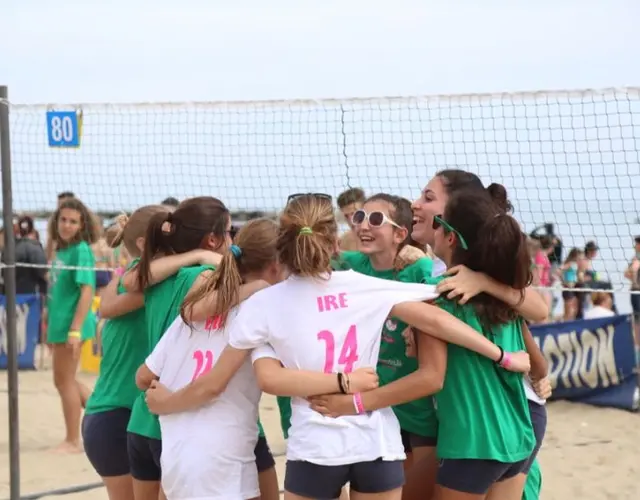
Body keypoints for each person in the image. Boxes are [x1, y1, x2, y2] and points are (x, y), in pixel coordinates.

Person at [146, 194, 530, 500]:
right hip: (376, 446)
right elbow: (435, 314)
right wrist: (501, 352)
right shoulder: (360, 286)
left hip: (316, 448)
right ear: (333, 242)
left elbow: (268, 378)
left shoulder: (264, 303)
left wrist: (342, 383)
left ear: (284, 245)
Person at [82, 206, 167, 500]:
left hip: (126, 414)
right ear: (145, 243)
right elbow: (107, 307)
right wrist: (198, 255)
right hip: (115, 417)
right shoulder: (144, 279)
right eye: (169, 231)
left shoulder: (132, 276)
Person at [47, 198, 100, 453]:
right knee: (63, 380)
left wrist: (75, 329)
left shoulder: (81, 250)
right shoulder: (60, 249)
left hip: (72, 324)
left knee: (65, 381)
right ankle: (103, 413)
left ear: (82, 225)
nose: (66, 225)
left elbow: (87, 291)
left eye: (73, 221)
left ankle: (72, 440)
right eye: (63, 219)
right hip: (59, 324)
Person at [337, 187, 366, 251]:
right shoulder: (343, 242)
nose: (351, 221)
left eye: (354, 214)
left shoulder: (381, 237)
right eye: (346, 216)